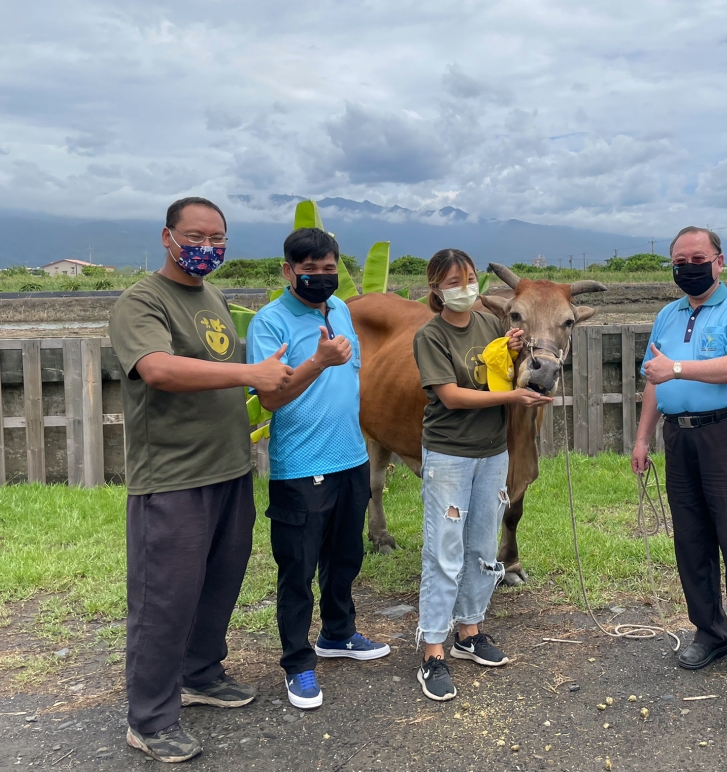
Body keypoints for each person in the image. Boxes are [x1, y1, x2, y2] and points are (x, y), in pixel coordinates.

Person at [109, 197, 294, 763]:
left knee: (220, 582)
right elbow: (158, 369)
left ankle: (200, 673)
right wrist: (249, 372)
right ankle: (149, 717)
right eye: (196, 236)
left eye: (218, 237)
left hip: (229, 469)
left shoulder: (210, 297)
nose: (208, 247)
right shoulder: (141, 301)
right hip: (173, 477)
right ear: (168, 237)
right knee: (164, 596)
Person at [246, 228, 389, 712]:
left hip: (351, 458)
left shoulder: (342, 310)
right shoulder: (269, 323)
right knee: (298, 569)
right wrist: (318, 362)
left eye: (329, 270)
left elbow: (352, 381)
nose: (321, 279)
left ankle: (339, 633)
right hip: (301, 466)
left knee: (345, 558)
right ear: (288, 271)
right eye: (310, 271)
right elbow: (270, 397)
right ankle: (297, 663)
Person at [630, 227, 727, 687]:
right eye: (679, 260)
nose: (687, 267)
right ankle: (710, 631)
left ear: (719, 260)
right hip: (680, 437)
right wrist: (642, 437)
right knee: (690, 539)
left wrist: (675, 367)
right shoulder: (667, 315)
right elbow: (654, 379)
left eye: (697, 257)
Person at [412, 248, 552, 701]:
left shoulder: (491, 324)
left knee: (482, 544)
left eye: (470, 277)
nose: (465, 287)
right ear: (436, 288)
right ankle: (433, 649)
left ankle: (469, 631)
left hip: (493, 454)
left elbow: (506, 363)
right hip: (450, 455)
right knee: (444, 549)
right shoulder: (430, 336)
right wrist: (512, 399)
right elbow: (450, 396)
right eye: (453, 281)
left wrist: (519, 354)